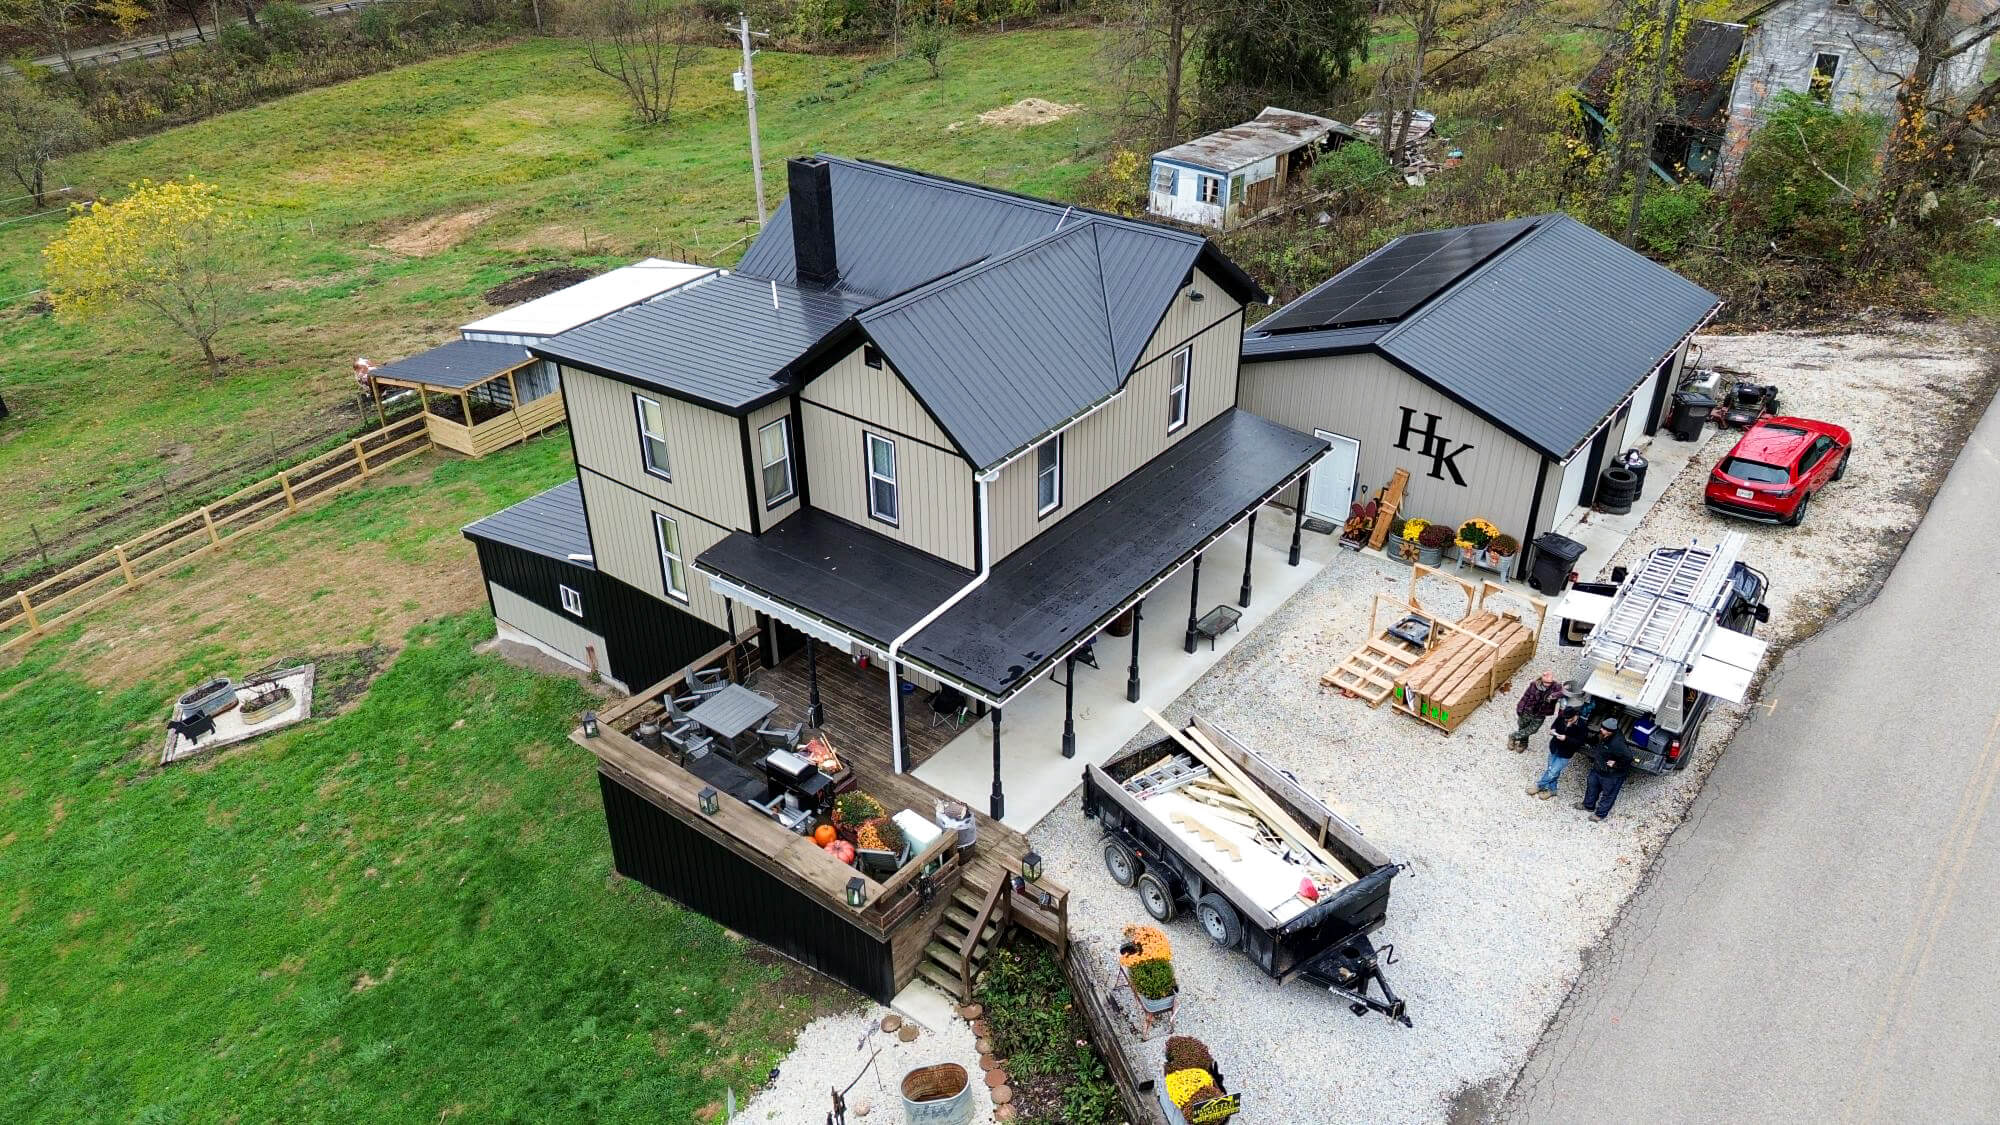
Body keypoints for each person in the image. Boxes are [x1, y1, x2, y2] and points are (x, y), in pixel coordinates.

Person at [1529, 690, 1591, 800]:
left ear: (1576, 716)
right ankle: (1553, 790)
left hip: (1565, 753)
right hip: (1555, 747)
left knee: (1552, 772)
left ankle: (1539, 786)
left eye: (1570, 720)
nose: (1567, 722)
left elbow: (1580, 742)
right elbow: (1554, 726)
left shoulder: (1582, 727)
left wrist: (1566, 738)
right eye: (1566, 720)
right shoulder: (1562, 717)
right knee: (1552, 769)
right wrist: (1552, 731)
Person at [1575, 717, 1633, 822]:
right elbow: (1594, 740)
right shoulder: (1603, 734)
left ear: (1610, 731)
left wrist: (1616, 764)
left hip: (1611, 775)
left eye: (1603, 728)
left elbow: (1628, 757)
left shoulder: (1618, 744)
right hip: (1598, 769)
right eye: (1602, 727)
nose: (1601, 729)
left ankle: (1600, 814)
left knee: (1608, 795)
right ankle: (1588, 805)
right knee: (1592, 787)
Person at [1508, 671, 1564, 752]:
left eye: (1549, 683)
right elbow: (1526, 696)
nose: (1547, 684)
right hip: (1528, 710)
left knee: (1533, 729)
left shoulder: (1556, 686)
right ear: (1541, 679)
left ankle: (1513, 736)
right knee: (1523, 727)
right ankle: (1523, 743)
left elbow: (1563, 692)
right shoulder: (1534, 685)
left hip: (1540, 714)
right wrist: (1520, 708)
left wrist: (1553, 696)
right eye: (1546, 682)